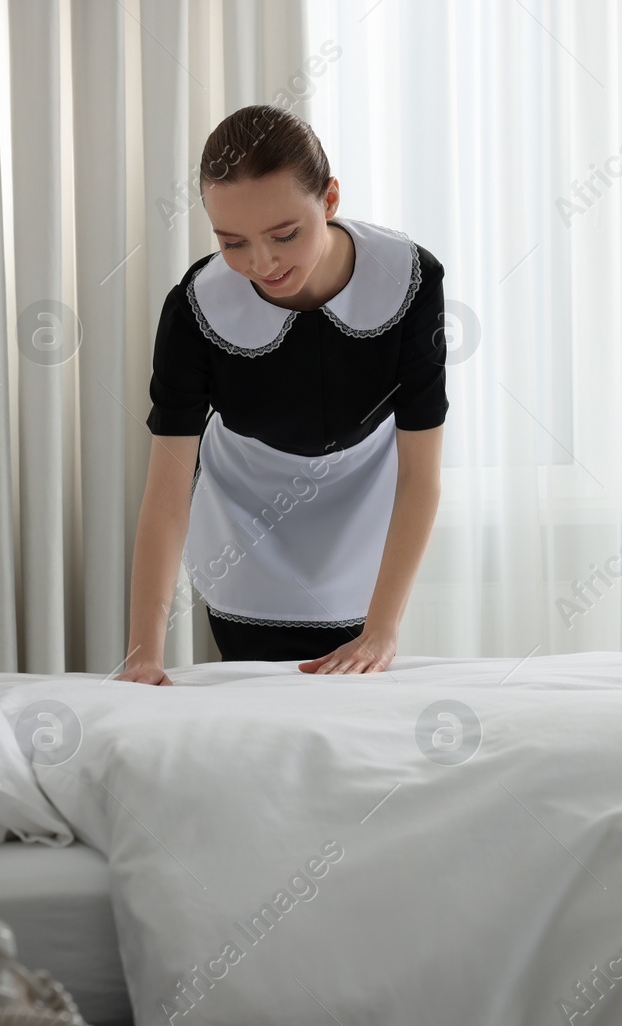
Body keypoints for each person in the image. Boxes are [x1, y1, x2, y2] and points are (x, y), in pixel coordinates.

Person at [116, 104, 447, 683]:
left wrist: (383, 631)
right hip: (246, 539)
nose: (261, 263)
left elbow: (420, 473)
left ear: (331, 199)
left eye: (284, 234)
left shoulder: (409, 279)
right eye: (232, 241)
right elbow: (168, 493)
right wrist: (143, 652)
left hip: (362, 530)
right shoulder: (195, 309)